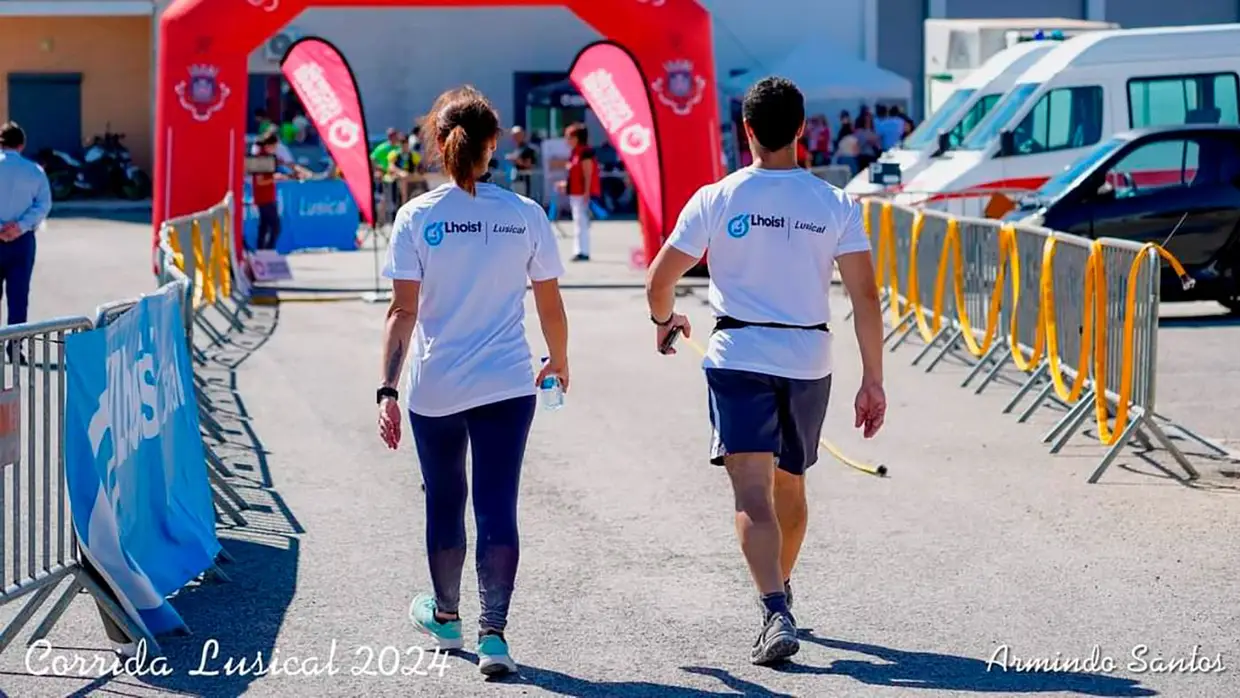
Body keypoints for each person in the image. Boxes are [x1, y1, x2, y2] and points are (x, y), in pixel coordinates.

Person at [644, 76, 886, 665]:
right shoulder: (835, 203)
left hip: (739, 355)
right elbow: (866, 298)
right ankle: (777, 595)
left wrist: (666, 320)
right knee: (792, 486)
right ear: (803, 129)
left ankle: (775, 606)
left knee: (753, 491)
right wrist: (872, 379)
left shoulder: (717, 197)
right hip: (809, 358)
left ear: (746, 130)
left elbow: (659, 280)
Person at [376, 85, 569, 677]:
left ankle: (448, 615)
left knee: (445, 501)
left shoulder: (416, 216)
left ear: (438, 143)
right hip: (509, 382)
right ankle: (494, 636)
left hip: (435, 385)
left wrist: (386, 388)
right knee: (497, 504)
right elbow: (550, 306)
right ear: (493, 146)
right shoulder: (525, 215)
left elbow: (401, 313)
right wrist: (558, 362)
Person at [0, 122, 50, 364]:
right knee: (18, 296)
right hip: (21, 241)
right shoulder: (34, 171)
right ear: (21, 144)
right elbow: (43, 205)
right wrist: (19, 226)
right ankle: (14, 346)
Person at [560, 123, 599, 262]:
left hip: (582, 194)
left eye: (569, 137)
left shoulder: (585, 152)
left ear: (578, 137)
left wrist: (587, 193)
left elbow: (588, 174)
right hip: (575, 193)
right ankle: (580, 250)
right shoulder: (574, 152)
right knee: (579, 222)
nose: (567, 140)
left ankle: (583, 251)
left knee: (581, 223)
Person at [251, 130, 289, 251]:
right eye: (275, 147)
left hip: (267, 197)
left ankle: (262, 251)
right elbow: (260, 181)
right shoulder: (261, 158)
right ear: (269, 145)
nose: (276, 149)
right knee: (275, 227)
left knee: (264, 227)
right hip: (264, 198)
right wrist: (275, 178)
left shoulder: (267, 157)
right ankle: (267, 250)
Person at [505, 126, 538, 198]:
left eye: (517, 135)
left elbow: (529, 165)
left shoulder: (528, 149)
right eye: (513, 136)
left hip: (523, 181)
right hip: (515, 179)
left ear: (522, 135)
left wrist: (516, 160)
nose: (514, 138)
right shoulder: (517, 148)